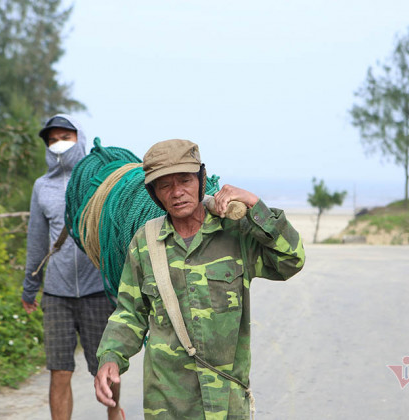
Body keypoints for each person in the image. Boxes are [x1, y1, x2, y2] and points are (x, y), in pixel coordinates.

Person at [94, 139, 306, 419]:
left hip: (227, 401)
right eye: (165, 185)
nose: (177, 192)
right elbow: (129, 313)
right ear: (154, 193)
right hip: (168, 404)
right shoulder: (145, 243)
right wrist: (110, 357)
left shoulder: (236, 232)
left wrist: (255, 205)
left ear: (201, 180)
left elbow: (291, 260)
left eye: (185, 180)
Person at [22, 114, 115, 420]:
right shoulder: (41, 187)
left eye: (66, 137)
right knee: (59, 371)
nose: (58, 144)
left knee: (105, 368)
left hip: (96, 291)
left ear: (80, 139)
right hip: (57, 293)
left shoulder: (97, 179)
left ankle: (115, 415)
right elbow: (36, 241)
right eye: (52, 139)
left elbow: (116, 232)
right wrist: (29, 288)